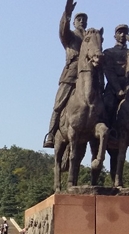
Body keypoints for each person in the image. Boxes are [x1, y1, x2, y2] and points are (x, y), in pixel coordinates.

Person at [44, 0, 88, 148]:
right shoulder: (70, 36)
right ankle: (51, 134)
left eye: (84, 19)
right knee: (59, 104)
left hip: (88, 76)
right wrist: (67, 14)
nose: (82, 21)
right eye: (79, 19)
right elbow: (63, 28)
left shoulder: (90, 38)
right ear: (74, 22)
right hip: (71, 75)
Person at [102, 24, 129, 127]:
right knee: (108, 105)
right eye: (120, 32)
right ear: (115, 36)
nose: (122, 35)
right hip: (114, 85)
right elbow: (109, 71)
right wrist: (118, 89)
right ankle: (109, 130)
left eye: (125, 33)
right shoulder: (109, 52)